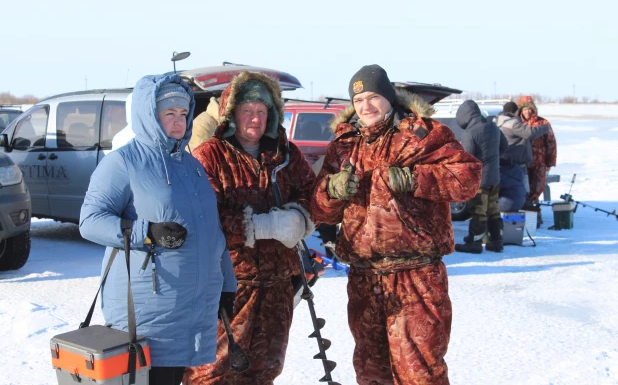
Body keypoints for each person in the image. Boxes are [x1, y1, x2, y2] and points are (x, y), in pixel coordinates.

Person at [311, 64, 482, 385]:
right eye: (359, 99)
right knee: (371, 370)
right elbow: (321, 210)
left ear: (389, 98)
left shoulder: (422, 134)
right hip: (364, 277)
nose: (366, 106)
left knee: (419, 371)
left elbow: (467, 178)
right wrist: (332, 190)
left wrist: (415, 178)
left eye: (374, 97)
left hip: (415, 276)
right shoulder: (344, 145)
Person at [79, 74, 237, 385]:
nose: (178, 123)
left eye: (183, 114)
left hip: (190, 308)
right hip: (146, 310)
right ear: (149, 114)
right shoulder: (123, 162)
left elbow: (212, 234)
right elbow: (90, 220)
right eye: (169, 114)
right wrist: (147, 232)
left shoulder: (191, 166)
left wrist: (226, 285)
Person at [184, 71, 316, 385]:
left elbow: (313, 194)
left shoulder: (287, 154)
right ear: (232, 114)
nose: (254, 119)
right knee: (212, 372)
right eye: (247, 111)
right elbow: (201, 219)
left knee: (265, 369)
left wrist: (301, 216)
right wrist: (258, 226)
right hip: (228, 286)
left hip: (277, 286)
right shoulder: (210, 156)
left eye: (261, 111)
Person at [454, 100, 509, 253]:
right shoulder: (493, 127)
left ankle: (475, 243)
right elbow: (504, 146)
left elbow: (467, 158)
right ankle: (497, 241)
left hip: (479, 179)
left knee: (478, 210)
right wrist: (492, 160)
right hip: (494, 177)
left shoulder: (470, 132)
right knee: (493, 209)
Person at [495, 101, 550, 212]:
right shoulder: (512, 123)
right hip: (516, 161)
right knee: (522, 191)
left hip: (504, 161)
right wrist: (545, 128)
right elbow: (529, 133)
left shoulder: (497, 121)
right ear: (516, 111)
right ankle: (524, 215)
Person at [517, 95, 557, 225]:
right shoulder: (517, 123)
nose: (527, 112)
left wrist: (550, 162)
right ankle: (525, 216)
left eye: (530, 109)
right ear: (520, 110)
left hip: (539, 162)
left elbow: (551, 143)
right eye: (524, 109)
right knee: (523, 190)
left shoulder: (543, 123)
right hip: (523, 163)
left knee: (537, 190)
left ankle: (535, 215)